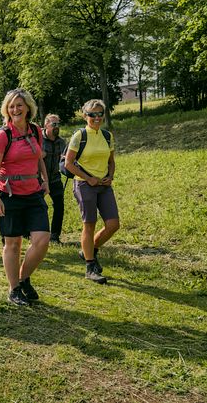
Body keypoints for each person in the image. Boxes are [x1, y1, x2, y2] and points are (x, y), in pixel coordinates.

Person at [0, 89, 50, 306]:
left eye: (20, 105)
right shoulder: (3, 135)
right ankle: (14, 289)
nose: (16, 109)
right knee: (13, 244)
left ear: (28, 107)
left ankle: (23, 278)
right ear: (7, 109)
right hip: (9, 194)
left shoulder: (35, 130)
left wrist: (45, 180)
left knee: (42, 240)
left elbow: (38, 156)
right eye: (12, 106)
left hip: (33, 193)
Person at [63, 99, 120, 285]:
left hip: (104, 185)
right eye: (92, 114)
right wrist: (88, 178)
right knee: (90, 224)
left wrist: (110, 176)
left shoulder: (107, 135)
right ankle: (90, 266)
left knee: (113, 224)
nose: (96, 117)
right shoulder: (79, 136)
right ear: (84, 116)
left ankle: (89, 250)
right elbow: (68, 164)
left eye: (100, 114)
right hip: (84, 184)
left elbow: (111, 161)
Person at [42, 114, 67, 244]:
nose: (57, 127)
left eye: (58, 124)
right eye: (54, 124)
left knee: (59, 206)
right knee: (37, 207)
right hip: (39, 180)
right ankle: (29, 232)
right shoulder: (38, 139)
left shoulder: (61, 142)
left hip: (55, 179)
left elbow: (66, 158)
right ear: (46, 125)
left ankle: (54, 236)